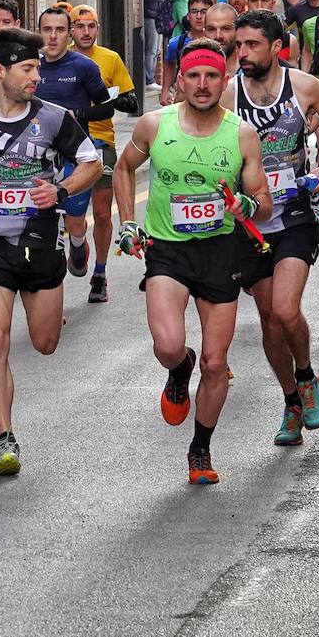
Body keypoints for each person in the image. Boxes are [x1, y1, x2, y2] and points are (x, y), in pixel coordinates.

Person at [0, 28, 102, 476]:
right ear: (0, 71)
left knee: (45, 343)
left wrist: (61, 190)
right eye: (28, 69)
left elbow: (93, 162)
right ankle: (4, 437)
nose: (36, 77)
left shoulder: (54, 118)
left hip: (42, 243)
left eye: (39, 69)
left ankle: (74, 258)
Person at [113, 40, 271, 484]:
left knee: (217, 364)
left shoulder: (241, 134)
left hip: (221, 252)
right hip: (168, 250)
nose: (203, 85)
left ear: (225, 81)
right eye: (194, 76)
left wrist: (246, 204)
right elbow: (122, 169)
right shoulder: (153, 125)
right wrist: (128, 224)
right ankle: (179, 367)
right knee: (168, 346)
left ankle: (200, 448)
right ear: (180, 80)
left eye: (212, 76)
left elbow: (265, 204)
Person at [223, 11, 319, 446]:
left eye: (252, 45)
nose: (242, 53)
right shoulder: (228, 95)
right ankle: (291, 402)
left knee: (284, 308)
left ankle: (308, 377)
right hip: (250, 221)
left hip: (295, 209)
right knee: (269, 322)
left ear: (277, 47)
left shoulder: (303, 87)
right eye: (239, 45)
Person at [35, 6, 116, 276]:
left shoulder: (84, 67)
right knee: (43, 226)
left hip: (75, 156)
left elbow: (107, 107)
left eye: (59, 30)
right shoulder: (29, 67)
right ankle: (50, 290)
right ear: (39, 33)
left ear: (68, 33)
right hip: (37, 157)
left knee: (75, 221)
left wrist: (77, 114)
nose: (53, 37)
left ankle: (78, 240)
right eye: (47, 30)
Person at [70, 4, 139, 302]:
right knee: (71, 215)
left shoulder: (110, 59)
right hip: (66, 143)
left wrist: (106, 102)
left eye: (92, 26)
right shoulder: (60, 59)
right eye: (80, 26)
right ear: (71, 29)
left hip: (100, 142)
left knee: (100, 212)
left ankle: (100, 273)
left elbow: (131, 102)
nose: (86, 32)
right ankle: (75, 242)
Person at [162, 0, 213, 105]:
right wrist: (165, 90)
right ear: (188, 15)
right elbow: (169, 63)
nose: (199, 16)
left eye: (204, 12)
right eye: (194, 12)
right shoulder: (177, 43)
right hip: (183, 100)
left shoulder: (218, 42)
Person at [144, 0, 172, 84]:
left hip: (156, 15)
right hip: (150, 15)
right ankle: (148, 79)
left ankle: (151, 77)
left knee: (156, 49)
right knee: (151, 48)